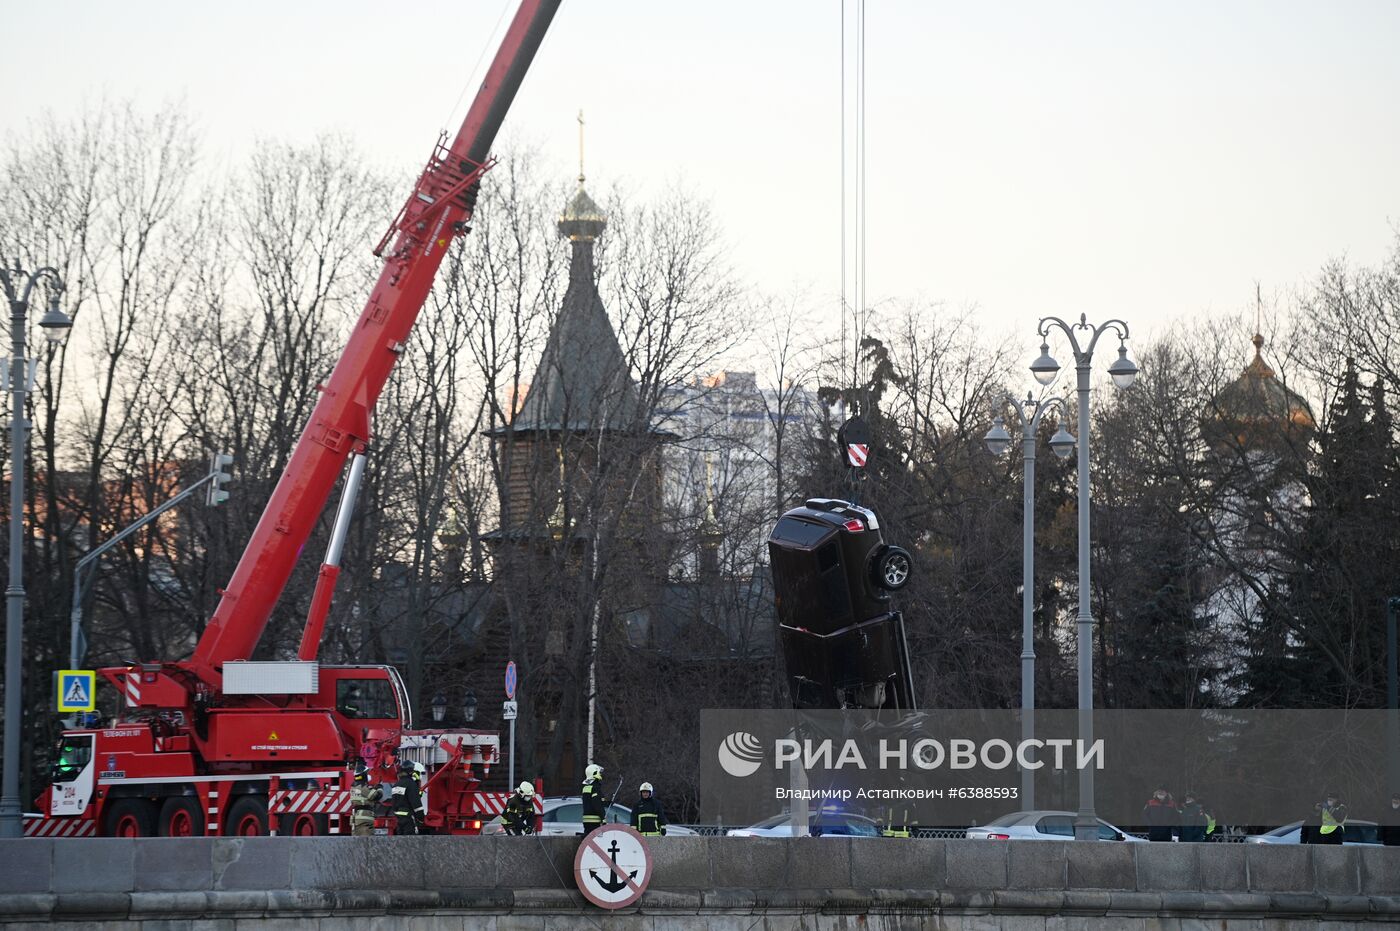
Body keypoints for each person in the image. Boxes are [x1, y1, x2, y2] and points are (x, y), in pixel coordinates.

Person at [384, 760, 421, 835]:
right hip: (409, 818)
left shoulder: (396, 785)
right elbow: (416, 802)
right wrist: (421, 818)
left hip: (399, 820)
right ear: (411, 772)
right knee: (410, 842)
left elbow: (394, 804)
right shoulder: (411, 784)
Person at [349, 767, 382, 837]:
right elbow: (376, 796)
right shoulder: (363, 787)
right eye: (367, 773)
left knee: (357, 840)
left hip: (356, 817)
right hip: (364, 818)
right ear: (363, 775)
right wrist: (380, 788)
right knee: (366, 840)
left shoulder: (353, 787)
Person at [581, 763, 606, 834]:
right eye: (599, 772)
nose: (600, 774)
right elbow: (597, 804)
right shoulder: (595, 787)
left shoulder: (586, 787)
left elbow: (589, 802)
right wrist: (603, 817)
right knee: (596, 840)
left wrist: (606, 803)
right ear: (595, 773)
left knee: (588, 841)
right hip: (595, 821)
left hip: (586, 821)